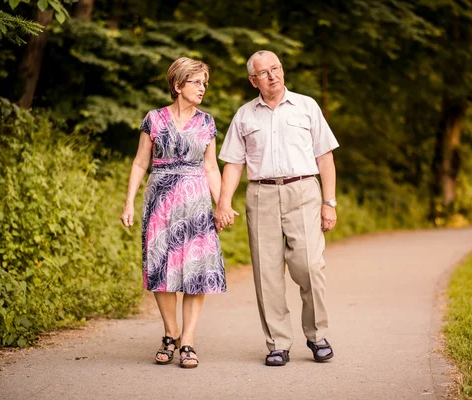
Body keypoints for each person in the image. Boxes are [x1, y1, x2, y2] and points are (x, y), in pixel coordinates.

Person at [215, 50, 339, 366]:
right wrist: (224, 202)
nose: (273, 75)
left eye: (277, 68)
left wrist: (329, 202)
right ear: (253, 80)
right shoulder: (244, 115)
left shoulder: (306, 106)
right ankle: (277, 344)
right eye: (265, 72)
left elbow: (325, 158)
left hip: (303, 192)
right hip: (262, 195)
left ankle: (317, 335)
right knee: (266, 273)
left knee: (309, 266)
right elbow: (232, 163)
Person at [120, 57, 225, 368]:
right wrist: (128, 201)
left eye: (205, 82)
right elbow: (140, 162)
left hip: (196, 204)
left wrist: (222, 204)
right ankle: (171, 333)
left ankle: (188, 341)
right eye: (196, 82)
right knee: (160, 267)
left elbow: (211, 167)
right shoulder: (153, 119)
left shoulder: (207, 123)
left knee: (195, 271)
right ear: (178, 85)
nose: (203, 87)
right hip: (160, 202)